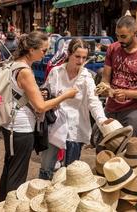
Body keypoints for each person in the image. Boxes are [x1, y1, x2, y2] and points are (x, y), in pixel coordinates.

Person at [0, 31, 78, 201]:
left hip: (10, 125)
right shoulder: (25, 71)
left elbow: (19, 92)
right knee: (17, 175)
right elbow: (40, 107)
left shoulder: (15, 64)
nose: (46, 54)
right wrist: (65, 95)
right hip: (20, 128)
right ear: (31, 50)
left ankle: (2, 204)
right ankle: (11, 206)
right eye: (43, 50)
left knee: (10, 168)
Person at [39, 38, 107, 180]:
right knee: (46, 168)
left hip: (76, 128)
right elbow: (46, 90)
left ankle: (67, 200)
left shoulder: (86, 77)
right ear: (69, 54)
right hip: (55, 125)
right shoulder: (56, 72)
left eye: (84, 57)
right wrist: (44, 92)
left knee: (71, 171)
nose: (81, 61)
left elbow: (93, 102)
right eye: (77, 56)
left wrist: (102, 121)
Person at [101, 15, 137, 137]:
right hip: (111, 107)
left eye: (123, 36)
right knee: (104, 150)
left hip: (134, 110)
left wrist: (127, 93)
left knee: (130, 150)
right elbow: (105, 79)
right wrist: (106, 88)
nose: (120, 40)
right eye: (117, 36)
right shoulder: (113, 48)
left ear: (135, 33)